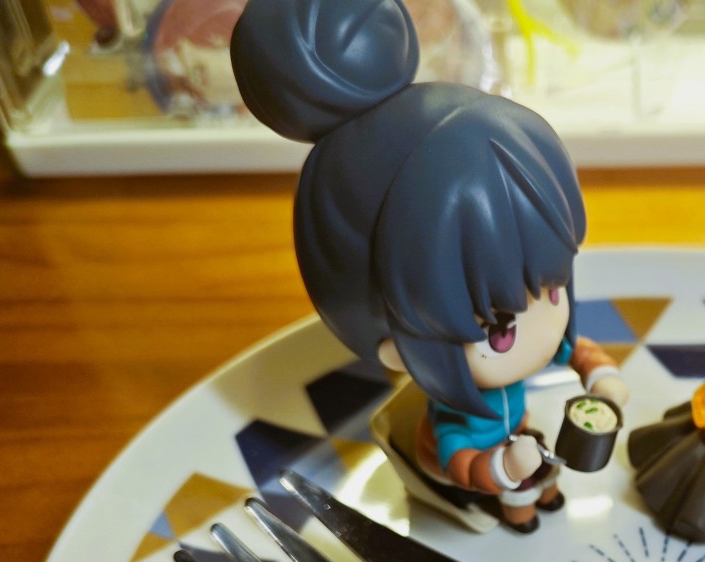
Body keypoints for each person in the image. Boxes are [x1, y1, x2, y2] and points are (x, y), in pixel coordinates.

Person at [230, 0, 626, 532]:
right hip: (479, 466)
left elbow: (573, 349)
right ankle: (521, 514)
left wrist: (602, 376)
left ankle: (536, 498)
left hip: (520, 441)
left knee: (541, 481)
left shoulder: (532, 345)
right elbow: (459, 461)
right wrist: (502, 470)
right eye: (500, 328)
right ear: (397, 349)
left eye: (552, 288)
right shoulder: (453, 414)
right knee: (521, 496)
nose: (544, 328)